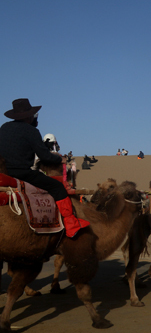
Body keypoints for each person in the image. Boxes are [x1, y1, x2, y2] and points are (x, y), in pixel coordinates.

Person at [0, 98, 89, 237]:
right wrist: (59, 158)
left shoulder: (4, 128)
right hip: (22, 173)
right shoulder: (31, 131)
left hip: (4, 173)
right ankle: (71, 224)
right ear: (29, 116)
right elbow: (45, 156)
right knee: (57, 187)